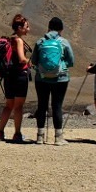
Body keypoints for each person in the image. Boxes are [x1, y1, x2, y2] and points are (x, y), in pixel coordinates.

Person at [31, 17, 74, 146]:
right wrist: (61, 66)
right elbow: (71, 61)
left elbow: (33, 61)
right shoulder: (64, 42)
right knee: (57, 106)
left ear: (48, 28)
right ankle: (58, 137)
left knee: (42, 105)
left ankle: (40, 137)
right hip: (60, 79)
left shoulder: (40, 42)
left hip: (41, 78)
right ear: (61, 29)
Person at [0, 14, 31, 143]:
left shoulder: (10, 40)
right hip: (20, 76)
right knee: (18, 106)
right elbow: (22, 59)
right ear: (20, 27)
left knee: (8, 106)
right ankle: (17, 133)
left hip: (9, 76)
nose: (29, 29)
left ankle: (0, 132)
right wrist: (30, 62)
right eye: (27, 26)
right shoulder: (19, 41)